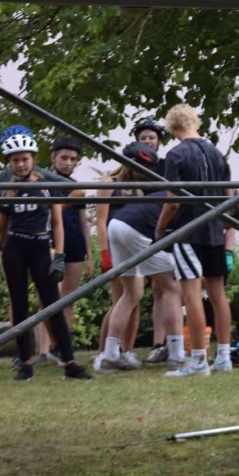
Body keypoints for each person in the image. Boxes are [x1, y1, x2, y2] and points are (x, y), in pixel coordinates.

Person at [0, 126, 92, 382]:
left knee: (53, 306)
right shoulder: (7, 189)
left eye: (25, 159)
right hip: (14, 250)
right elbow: (0, 230)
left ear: (33, 159)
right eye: (15, 160)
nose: (20, 164)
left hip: (41, 247)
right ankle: (26, 365)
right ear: (9, 162)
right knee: (19, 307)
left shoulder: (46, 184)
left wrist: (60, 255)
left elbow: (57, 223)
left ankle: (70, 364)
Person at [154, 104, 233, 377]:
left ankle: (199, 360)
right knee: (218, 294)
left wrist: (161, 229)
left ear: (173, 128)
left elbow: (172, 200)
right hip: (214, 231)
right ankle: (224, 357)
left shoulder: (175, 154)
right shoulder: (217, 153)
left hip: (187, 231)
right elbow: (229, 195)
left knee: (191, 293)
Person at [94, 143, 180, 372]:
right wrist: (104, 254)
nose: (144, 170)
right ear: (129, 163)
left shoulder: (143, 185)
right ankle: (104, 353)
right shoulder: (109, 183)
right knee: (169, 288)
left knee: (134, 294)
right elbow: (100, 220)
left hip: (128, 231)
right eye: (141, 165)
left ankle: (118, 353)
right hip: (122, 236)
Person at [41, 137, 92, 362]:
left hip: (74, 243)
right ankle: (44, 348)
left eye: (73, 159)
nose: (68, 162)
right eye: (64, 158)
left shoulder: (77, 188)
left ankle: (63, 345)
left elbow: (84, 222)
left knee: (68, 298)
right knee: (47, 299)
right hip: (48, 244)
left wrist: (90, 255)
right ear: (53, 158)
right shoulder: (42, 183)